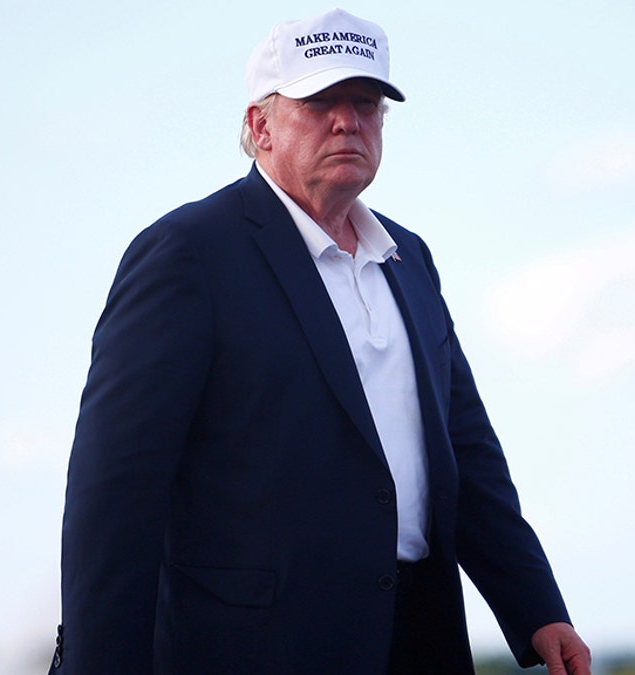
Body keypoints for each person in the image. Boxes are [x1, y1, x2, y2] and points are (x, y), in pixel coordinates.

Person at [50, 8, 591, 674]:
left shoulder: (408, 258)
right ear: (260, 124)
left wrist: (538, 607)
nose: (348, 121)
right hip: (252, 648)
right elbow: (115, 492)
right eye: (319, 102)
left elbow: (466, 451)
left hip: (419, 638)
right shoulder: (189, 254)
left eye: (365, 104)